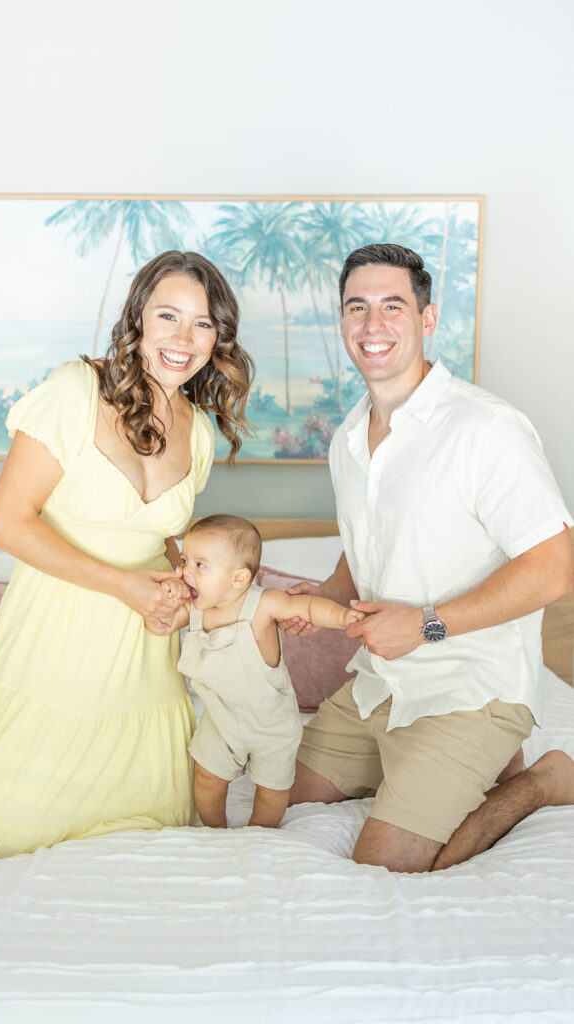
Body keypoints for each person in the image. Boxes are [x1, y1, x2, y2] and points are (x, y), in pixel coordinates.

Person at [0, 250, 254, 859]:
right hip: (55, 635)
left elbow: (169, 541)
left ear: (218, 339)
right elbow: (6, 524)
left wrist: (183, 590)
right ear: (138, 320)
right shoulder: (75, 391)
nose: (182, 339)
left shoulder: (199, 430)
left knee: (150, 829)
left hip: (145, 656)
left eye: (202, 324)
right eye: (167, 316)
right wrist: (124, 585)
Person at [281, 242, 574, 873]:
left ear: (428, 319)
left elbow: (555, 567)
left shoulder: (485, 428)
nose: (372, 324)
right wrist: (323, 595)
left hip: (471, 687)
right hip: (379, 683)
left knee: (386, 865)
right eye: (356, 307)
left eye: (393, 305)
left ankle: (541, 781)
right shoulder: (348, 438)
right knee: (286, 803)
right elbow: (368, 547)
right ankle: (486, 765)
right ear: (341, 323)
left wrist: (424, 624)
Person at [149, 514, 363, 829]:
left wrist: (346, 618)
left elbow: (306, 607)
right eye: (184, 560)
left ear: (238, 578)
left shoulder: (263, 604)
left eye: (200, 565)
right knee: (207, 779)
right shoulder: (194, 610)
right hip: (222, 719)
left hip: (271, 725)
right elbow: (159, 622)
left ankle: (258, 834)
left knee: (272, 791)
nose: (185, 572)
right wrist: (165, 599)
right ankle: (215, 829)